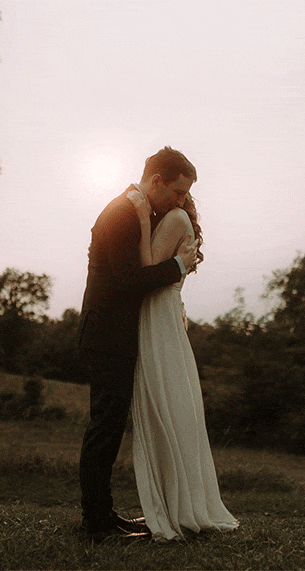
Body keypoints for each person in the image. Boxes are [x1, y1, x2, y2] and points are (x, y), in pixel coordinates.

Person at [77, 147, 199, 540]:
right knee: (104, 428)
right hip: (107, 335)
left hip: (115, 334)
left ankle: (105, 515)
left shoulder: (137, 212)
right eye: (178, 193)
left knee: (110, 427)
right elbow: (130, 280)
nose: (181, 203)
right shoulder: (123, 213)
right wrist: (179, 265)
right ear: (157, 181)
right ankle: (95, 522)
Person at [125, 183, 240, 542]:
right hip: (166, 313)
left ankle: (178, 507)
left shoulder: (174, 218)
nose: (177, 199)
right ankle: (180, 502)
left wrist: (143, 220)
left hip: (158, 314)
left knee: (165, 406)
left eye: (181, 193)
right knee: (173, 405)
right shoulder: (178, 218)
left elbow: (148, 268)